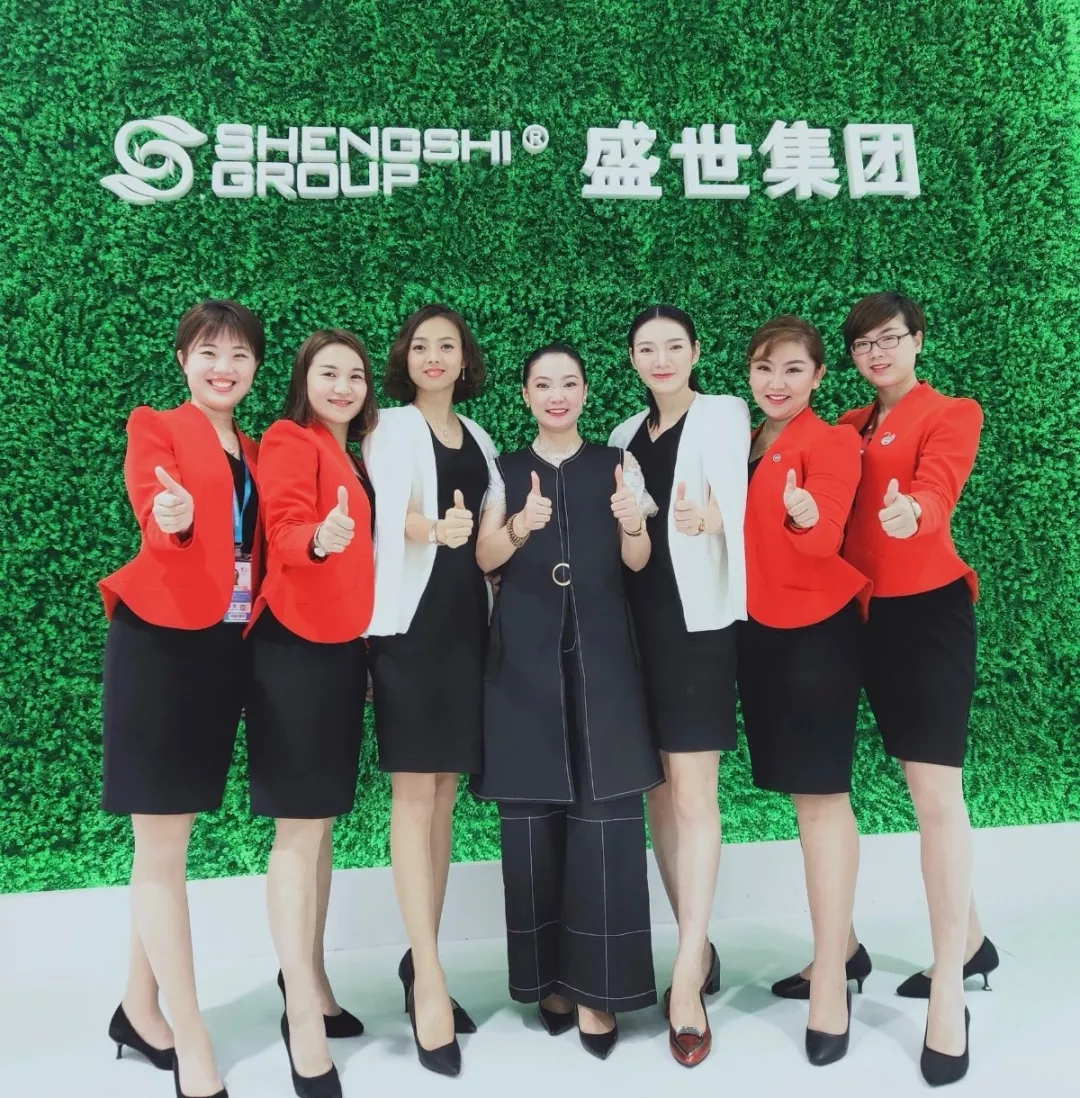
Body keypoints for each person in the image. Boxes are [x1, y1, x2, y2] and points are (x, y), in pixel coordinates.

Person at [474, 344, 662, 1061]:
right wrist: (520, 525)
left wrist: (633, 521)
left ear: (585, 391)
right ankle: (548, 981)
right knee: (531, 824)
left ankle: (598, 992)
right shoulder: (505, 469)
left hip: (603, 656)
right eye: (543, 385)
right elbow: (485, 557)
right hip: (522, 660)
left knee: (605, 820)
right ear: (525, 396)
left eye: (569, 384)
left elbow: (638, 560)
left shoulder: (617, 463)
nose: (557, 395)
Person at [99, 299, 264, 1098]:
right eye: (208, 352)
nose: (223, 368)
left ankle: (138, 1008)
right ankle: (190, 1037)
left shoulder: (258, 450)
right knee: (160, 850)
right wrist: (172, 514)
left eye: (238, 355)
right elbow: (153, 505)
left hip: (222, 652)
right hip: (159, 646)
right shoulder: (157, 427)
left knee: (170, 842)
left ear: (255, 368)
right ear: (182, 360)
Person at [841, 291, 987, 1086]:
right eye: (864, 344)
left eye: (890, 338)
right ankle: (974, 939)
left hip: (928, 615)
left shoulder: (950, 412)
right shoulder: (849, 424)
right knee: (912, 781)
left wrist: (916, 513)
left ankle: (948, 990)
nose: (878, 353)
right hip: (864, 617)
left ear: (918, 340)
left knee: (936, 794)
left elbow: (937, 487)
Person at [608, 305, 749, 1066]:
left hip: (698, 630)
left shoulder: (723, 413)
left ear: (696, 351)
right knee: (658, 795)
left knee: (695, 794)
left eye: (673, 346)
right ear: (632, 359)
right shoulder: (624, 435)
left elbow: (740, 502)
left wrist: (709, 519)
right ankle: (699, 942)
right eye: (646, 348)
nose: (660, 358)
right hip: (636, 630)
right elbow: (629, 539)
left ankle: (687, 973)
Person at [363, 304, 496, 1077]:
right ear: (405, 359)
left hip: (466, 628)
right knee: (414, 795)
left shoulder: (477, 436)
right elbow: (394, 516)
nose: (435, 356)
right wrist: (433, 532)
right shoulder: (390, 427)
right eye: (421, 345)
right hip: (408, 631)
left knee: (444, 794)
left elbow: (491, 529)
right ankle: (432, 984)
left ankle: (424, 960)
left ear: (465, 358)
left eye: (448, 345)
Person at [244, 330, 377, 1098]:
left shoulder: (351, 454)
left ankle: (313, 983)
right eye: (329, 373)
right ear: (304, 380)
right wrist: (320, 540)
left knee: (320, 827)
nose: (343, 385)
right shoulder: (290, 440)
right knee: (298, 833)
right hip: (292, 650)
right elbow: (287, 527)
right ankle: (300, 1018)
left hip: (338, 652)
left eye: (355, 375)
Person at [737, 316, 871, 1067]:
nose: (777, 382)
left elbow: (823, 538)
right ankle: (843, 948)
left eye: (793, 369)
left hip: (816, 632)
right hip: (757, 630)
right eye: (764, 368)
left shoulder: (833, 442)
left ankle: (830, 984)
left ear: (819, 377)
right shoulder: (743, 439)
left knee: (821, 800)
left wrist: (808, 513)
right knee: (800, 797)